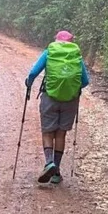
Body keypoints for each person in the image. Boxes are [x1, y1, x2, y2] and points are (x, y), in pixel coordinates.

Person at [25, 30, 89, 184]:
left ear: (56, 40)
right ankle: (56, 173)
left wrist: (29, 83)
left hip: (50, 97)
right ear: (71, 41)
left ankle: (49, 163)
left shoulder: (50, 52)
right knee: (60, 134)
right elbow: (85, 81)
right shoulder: (76, 56)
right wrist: (72, 89)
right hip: (70, 101)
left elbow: (34, 72)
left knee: (47, 132)